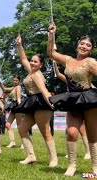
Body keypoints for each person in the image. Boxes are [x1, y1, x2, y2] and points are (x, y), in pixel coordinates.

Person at [48, 23, 97, 175]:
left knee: (92, 134)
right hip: (73, 99)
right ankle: (72, 165)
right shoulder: (68, 60)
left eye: (88, 45)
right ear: (77, 45)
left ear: (91, 49)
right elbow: (51, 53)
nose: (84, 46)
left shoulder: (91, 62)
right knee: (71, 132)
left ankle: (95, 167)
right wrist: (52, 34)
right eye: (82, 43)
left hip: (89, 99)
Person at [15, 34, 57, 167]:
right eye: (32, 61)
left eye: (35, 61)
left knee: (45, 131)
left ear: (41, 65)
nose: (32, 63)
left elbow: (43, 90)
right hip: (31, 101)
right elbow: (23, 58)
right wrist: (20, 45)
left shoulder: (37, 75)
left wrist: (51, 102)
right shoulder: (31, 71)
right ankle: (31, 156)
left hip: (41, 102)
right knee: (22, 129)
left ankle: (54, 160)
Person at [53, 61, 91, 160]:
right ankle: (71, 152)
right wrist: (54, 64)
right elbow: (57, 74)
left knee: (83, 130)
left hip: (82, 105)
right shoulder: (68, 80)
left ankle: (88, 152)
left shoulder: (84, 81)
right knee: (68, 130)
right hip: (72, 105)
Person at [0, 76, 22, 148]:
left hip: (17, 106)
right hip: (13, 106)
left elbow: (18, 98)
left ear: (19, 81)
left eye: (16, 80)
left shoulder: (18, 87)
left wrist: (20, 107)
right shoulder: (13, 87)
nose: (14, 81)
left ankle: (24, 143)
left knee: (20, 126)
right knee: (7, 124)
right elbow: (4, 89)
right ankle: (12, 142)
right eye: (13, 80)